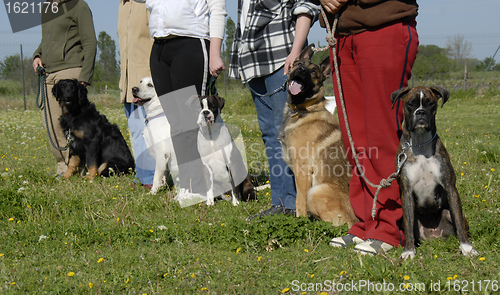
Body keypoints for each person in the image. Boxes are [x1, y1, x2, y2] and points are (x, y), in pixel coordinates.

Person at [316, 0, 419, 255]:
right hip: (341, 34)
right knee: (355, 137)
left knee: (380, 133)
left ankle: (390, 226)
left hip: (383, 26)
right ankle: (365, 222)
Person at [228, 0, 320, 218]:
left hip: (282, 55)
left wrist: (296, 52)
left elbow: (307, 5)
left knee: (289, 133)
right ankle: (280, 202)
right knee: (271, 133)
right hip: (254, 60)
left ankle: (293, 203)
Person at [134, 0, 227, 201]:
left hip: (191, 43)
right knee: (176, 123)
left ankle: (205, 187)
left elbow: (218, 9)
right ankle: (188, 185)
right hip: (159, 47)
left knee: (192, 121)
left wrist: (215, 52)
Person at [33, 0, 97, 177]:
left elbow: (90, 42)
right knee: (51, 123)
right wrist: (37, 55)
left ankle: (77, 167)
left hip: (70, 71)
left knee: (73, 125)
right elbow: (46, 40)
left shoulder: (79, 6)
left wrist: (84, 77)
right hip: (48, 73)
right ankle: (63, 167)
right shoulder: (47, 7)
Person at [118, 0, 156, 189]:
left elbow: (157, 38)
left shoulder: (147, 3)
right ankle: (143, 175)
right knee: (136, 131)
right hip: (128, 81)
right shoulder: (123, 5)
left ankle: (150, 178)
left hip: (146, 81)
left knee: (148, 131)